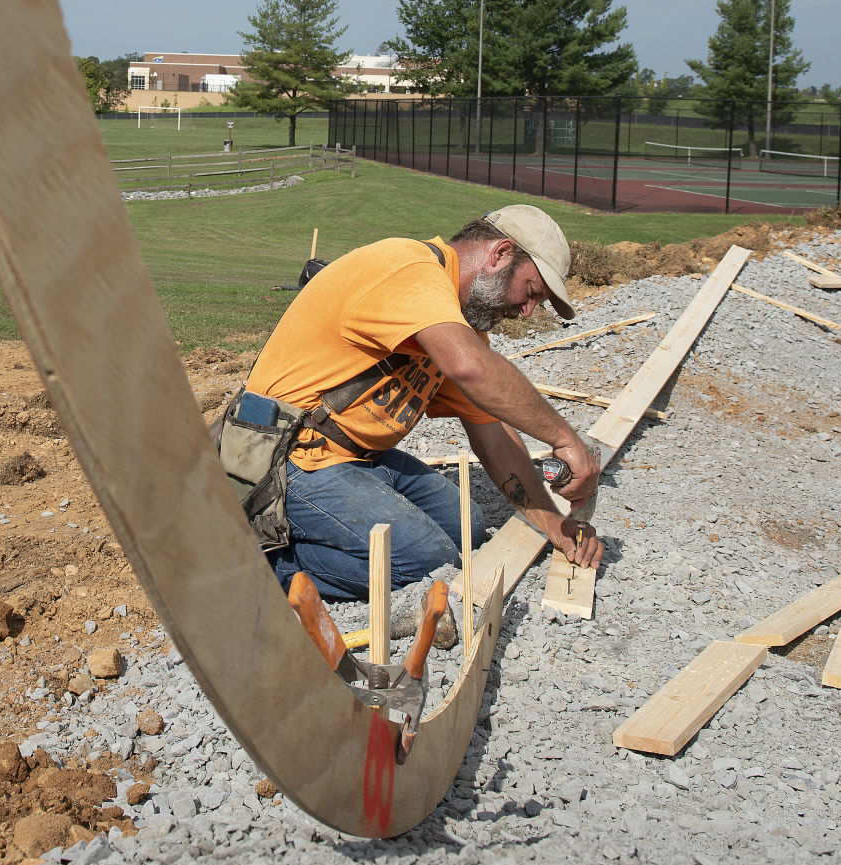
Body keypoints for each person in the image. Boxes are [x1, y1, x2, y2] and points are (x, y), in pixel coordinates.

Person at [246, 206, 603, 601]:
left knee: (466, 530)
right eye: (531, 291)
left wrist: (554, 523)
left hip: (356, 459)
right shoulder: (407, 268)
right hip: (288, 456)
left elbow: (494, 432)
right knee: (427, 564)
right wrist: (566, 439)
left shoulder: (454, 327)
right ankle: (260, 563)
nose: (527, 310)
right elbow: (470, 367)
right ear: (501, 253)